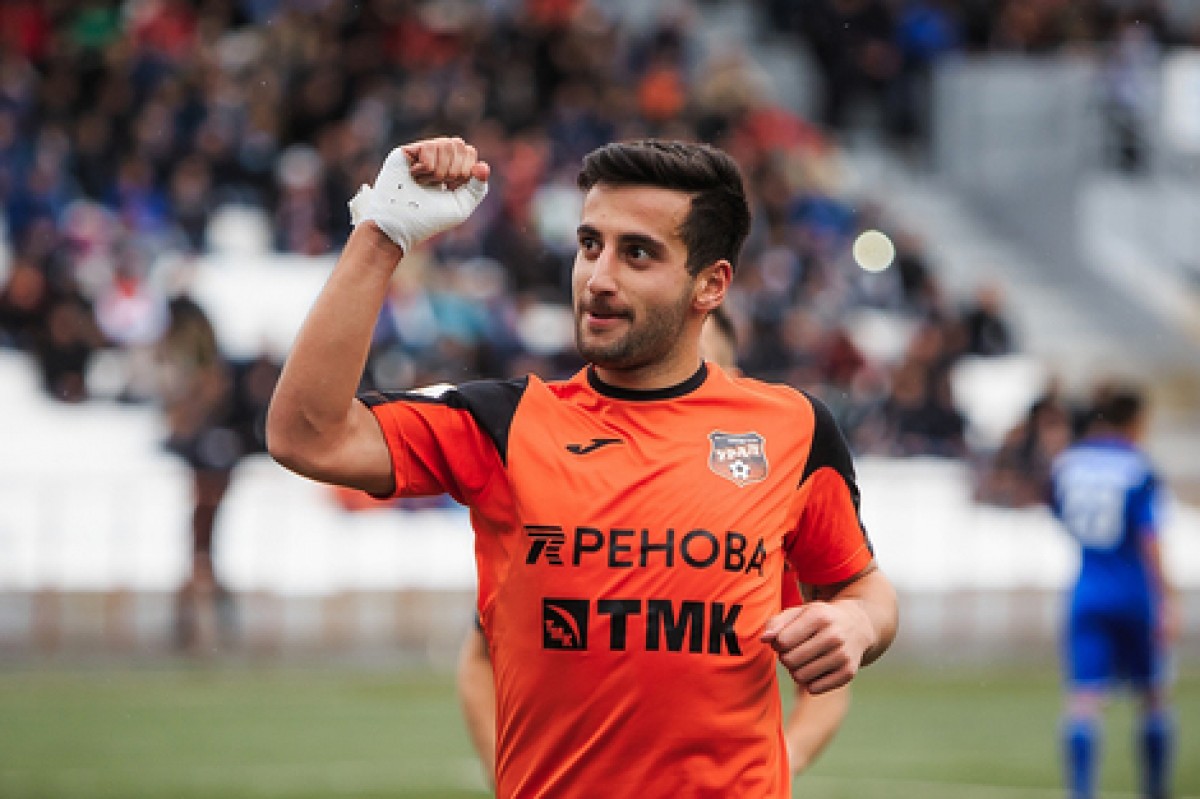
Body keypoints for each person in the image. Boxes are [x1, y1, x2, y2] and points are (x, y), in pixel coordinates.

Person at [267, 136, 898, 798]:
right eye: (591, 244)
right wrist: (383, 235)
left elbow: (863, 588)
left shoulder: (794, 428)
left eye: (638, 253)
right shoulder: (503, 425)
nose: (598, 277)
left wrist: (858, 624)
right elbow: (307, 436)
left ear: (711, 284)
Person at [457, 305, 852, 788]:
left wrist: (779, 760)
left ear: (733, 379)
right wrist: (509, 776)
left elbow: (826, 670)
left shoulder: (761, 521)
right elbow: (479, 657)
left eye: (695, 366)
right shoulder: (571, 497)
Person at [1049, 384, 1178, 799]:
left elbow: (1060, 513)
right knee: (1153, 695)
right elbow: (1149, 538)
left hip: (1087, 590)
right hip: (1134, 591)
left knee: (1084, 700)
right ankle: (1155, 790)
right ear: (1135, 421)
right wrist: (1167, 600)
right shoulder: (1137, 467)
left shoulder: (1068, 463)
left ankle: (1081, 792)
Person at [157, 294, 242, 651]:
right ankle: (197, 629)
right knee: (201, 554)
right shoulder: (195, 360)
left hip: (205, 460)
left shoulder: (198, 365)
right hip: (200, 459)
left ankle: (199, 630)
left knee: (202, 553)